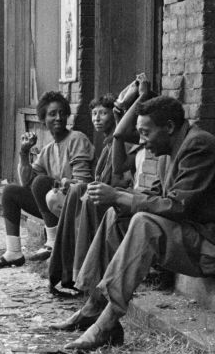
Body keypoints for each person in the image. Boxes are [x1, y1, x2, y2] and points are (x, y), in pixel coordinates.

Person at [52, 95, 215, 351]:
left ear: (169, 127)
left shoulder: (199, 146)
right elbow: (154, 196)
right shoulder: (169, 151)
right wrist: (119, 200)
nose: (141, 141)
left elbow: (177, 206)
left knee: (144, 223)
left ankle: (107, 323)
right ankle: (93, 306)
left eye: (145, 132)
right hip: (200, 236)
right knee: (116, 215)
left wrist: (118, 195)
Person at [49, 75, 158, 296]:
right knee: (78, 191)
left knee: (85, 194)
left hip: (136, 206)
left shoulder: (147, 145)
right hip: (127, 201)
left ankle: (77, 276)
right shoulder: (124, 144)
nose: (98, 118)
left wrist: (141, 97)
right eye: (94, 114)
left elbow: (120, 178)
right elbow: (118, 166)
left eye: (105, 113)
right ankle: (65, 273)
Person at [0, 90, 94, 269]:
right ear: (43, 120)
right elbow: (26, 182)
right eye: (52, 114)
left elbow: (83, 184)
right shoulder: (48, 150)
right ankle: (13, 252)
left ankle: (52, 242)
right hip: (56, 206)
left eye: (62, 113)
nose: (58, 117)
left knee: (41, 182)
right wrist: (24, 152)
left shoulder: (76, 139)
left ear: (67, 116)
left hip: (78, 205)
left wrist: (58, 184)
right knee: (11, 191)